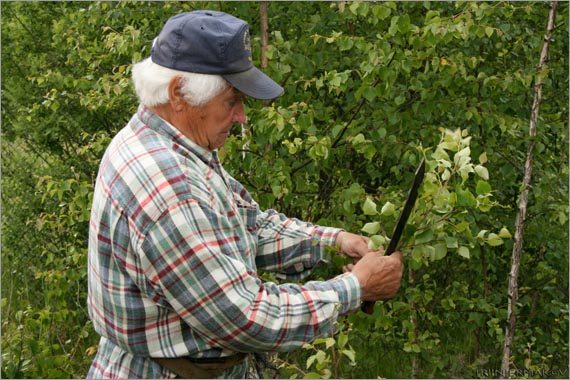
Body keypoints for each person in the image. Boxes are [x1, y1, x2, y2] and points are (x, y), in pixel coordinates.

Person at [87, 10, 404, 379]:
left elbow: (247, 226)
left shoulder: (170, 143)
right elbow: (245, 315)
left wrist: (333, 242)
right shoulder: (167, 185)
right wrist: (356, 287)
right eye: (231, 100)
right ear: (178, 94)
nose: (241, 117)